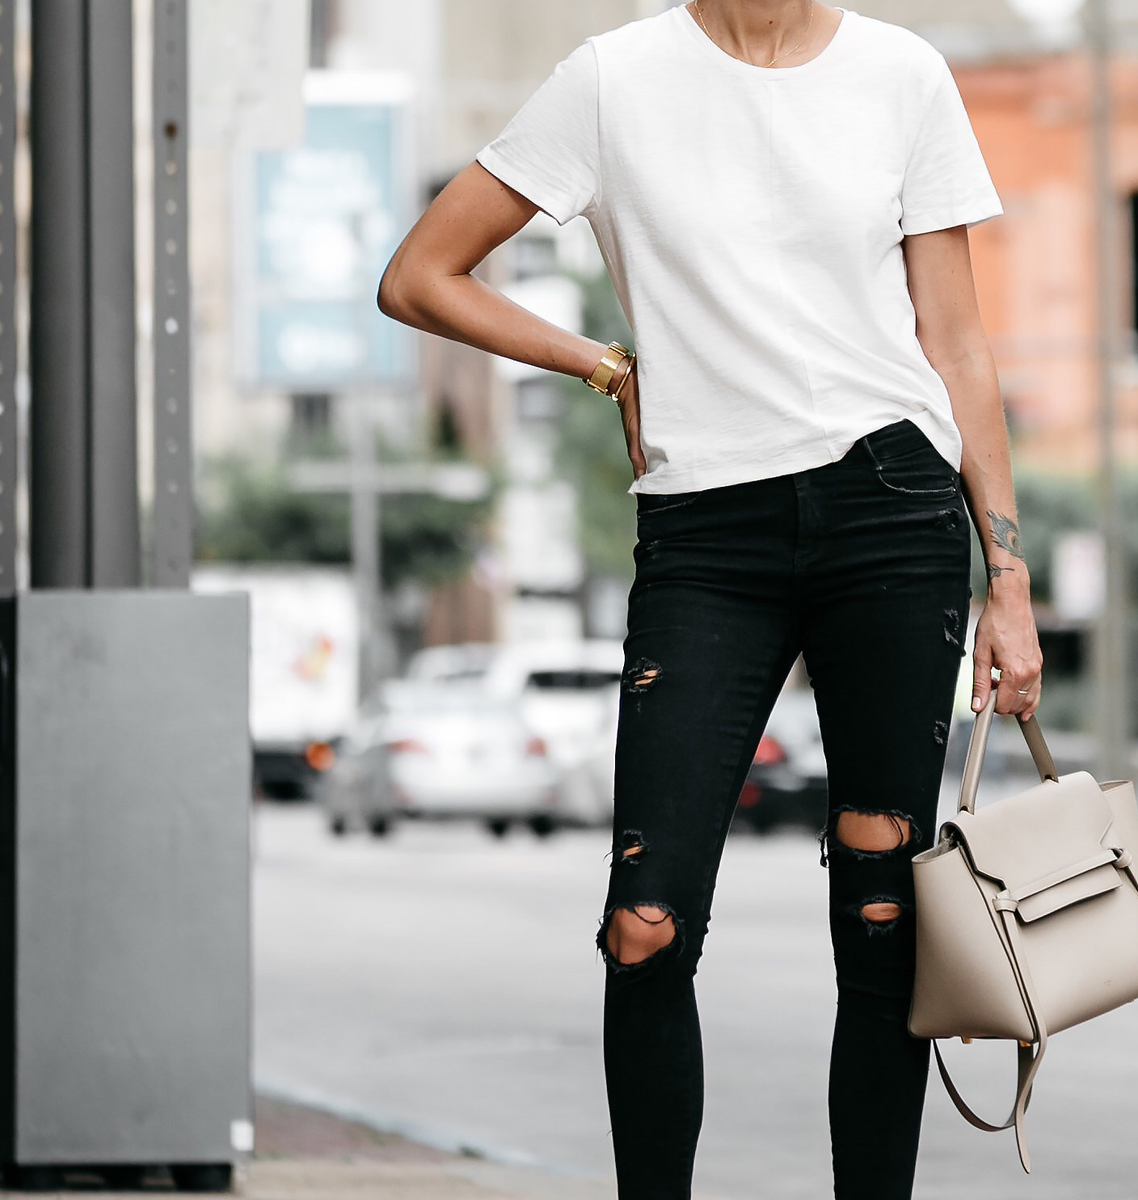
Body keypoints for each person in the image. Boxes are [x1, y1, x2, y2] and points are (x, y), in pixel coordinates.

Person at [377, 2, 1043, 1195]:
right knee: (646, 922)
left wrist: (1010, 578)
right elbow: (421, 275)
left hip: (891, 508)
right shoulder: (611, 81)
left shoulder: (902, 73)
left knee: (882, 913)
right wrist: (600, 363)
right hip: (706, 531)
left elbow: (960, 339)